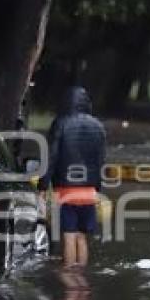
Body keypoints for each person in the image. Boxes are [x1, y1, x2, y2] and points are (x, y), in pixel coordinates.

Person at [38, 86, 106, 268]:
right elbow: (100, 161)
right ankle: (81, 275)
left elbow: (51, 157)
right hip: (89, 192)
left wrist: (43, 186)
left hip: (67, 190)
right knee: (82, 237)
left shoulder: (60, 123)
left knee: (69, 236)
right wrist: (98, 189)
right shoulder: (98, 126)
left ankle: (69, 275)